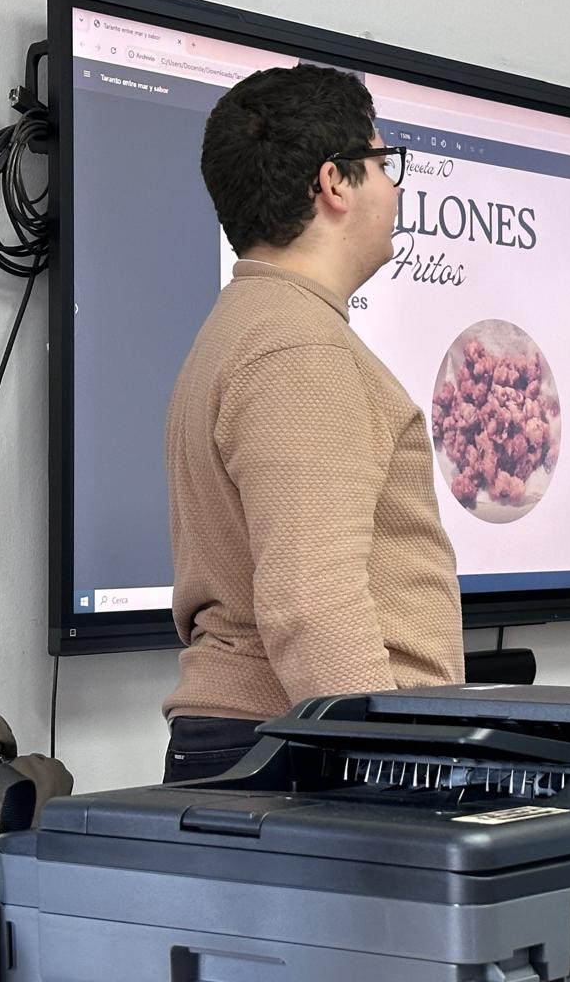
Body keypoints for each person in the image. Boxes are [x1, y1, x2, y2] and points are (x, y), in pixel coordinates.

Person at [161, 64, 464, 783]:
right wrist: (395, 773)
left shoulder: (251, 326)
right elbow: (312, 602)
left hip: (275, 743)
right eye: (385, 163)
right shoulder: (298, 348)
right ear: (334, 182)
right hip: (302, 753)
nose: (395, 188)